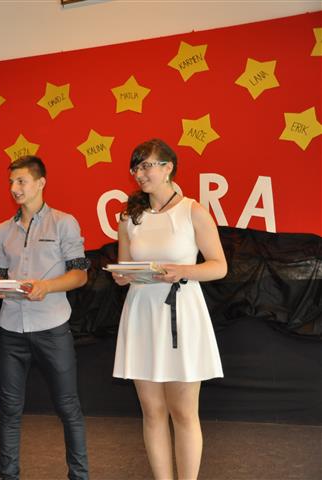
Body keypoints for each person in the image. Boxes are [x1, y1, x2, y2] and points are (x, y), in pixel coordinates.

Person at [111, 139, 226, 480]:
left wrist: (183, 271)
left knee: (183, 412)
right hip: (141, 314)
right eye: (136, 167)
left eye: (146, 165)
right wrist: (121, 275)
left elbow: (219, 266)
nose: (140, 173)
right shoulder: (129, 217)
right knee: (152, 410)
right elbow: (125, 267)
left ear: (168, 167)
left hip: (182, 314)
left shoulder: (193, 211)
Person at [0, 155, 90, 480]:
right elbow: (1, 276)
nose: (14, 188)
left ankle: (79, 476)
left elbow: (80, 275)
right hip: (10, 330)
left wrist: (48, 286)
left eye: (21, 181)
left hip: (52, 328)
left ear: (41, 182)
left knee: (68, 406)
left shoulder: (63, 223)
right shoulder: (3, 230)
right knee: (9, 409)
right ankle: (8, 475)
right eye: (11, 182)